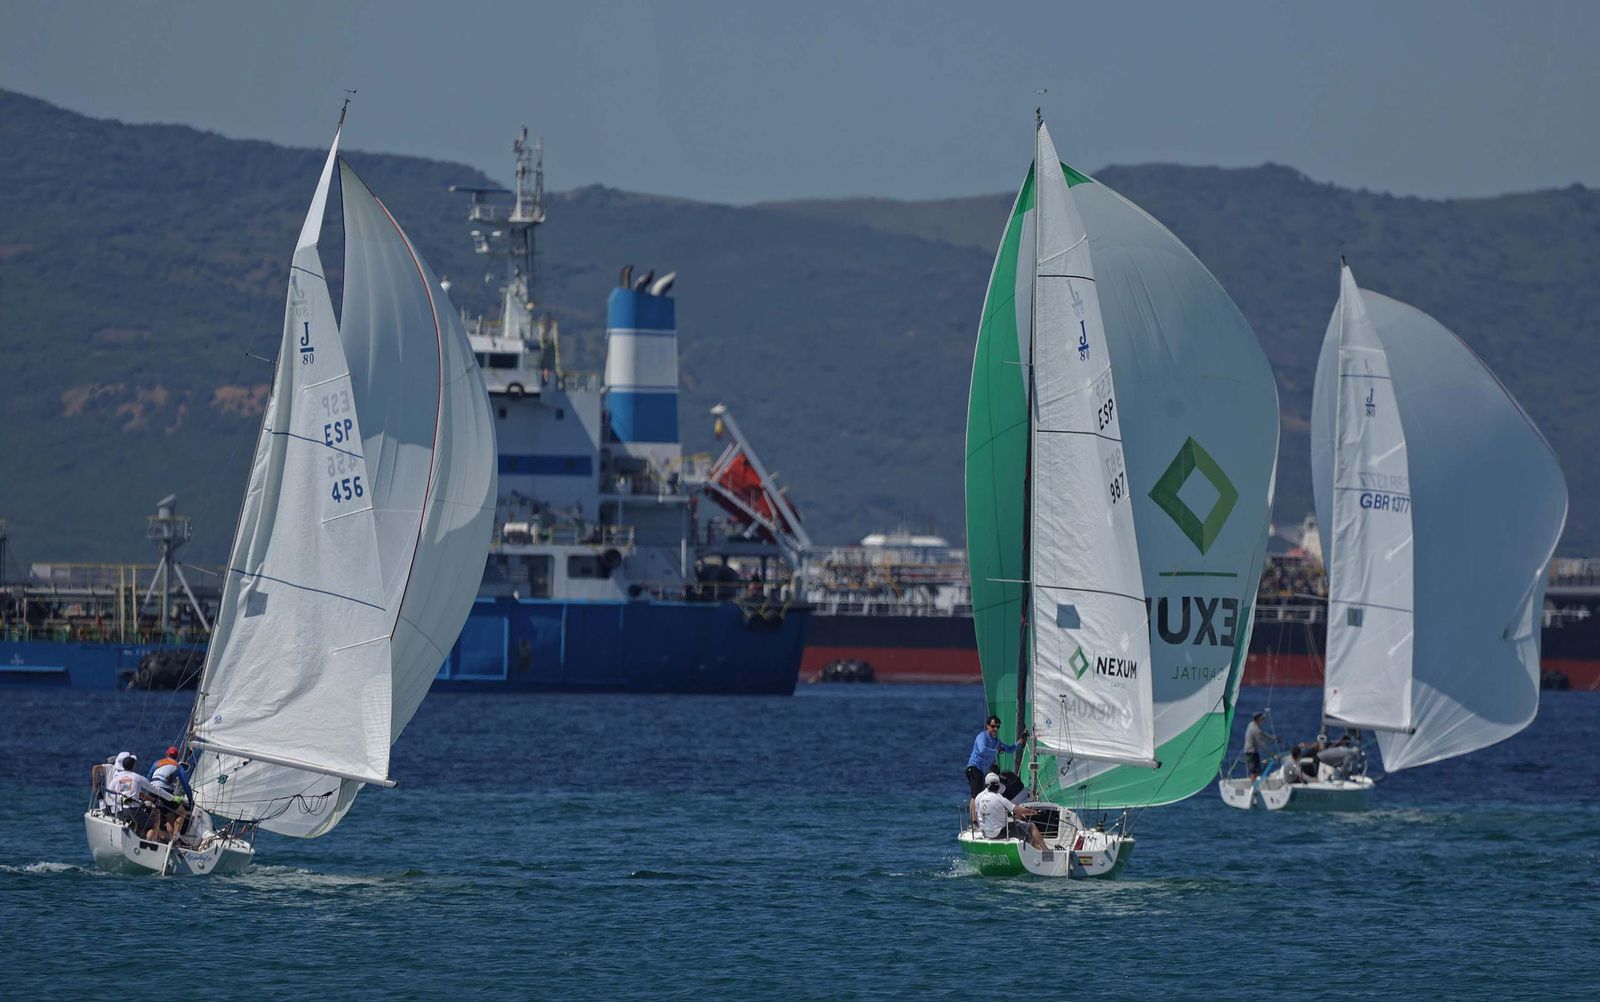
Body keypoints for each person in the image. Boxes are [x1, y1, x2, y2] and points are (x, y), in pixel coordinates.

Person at [970, 772, 1044, 849]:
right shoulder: (999, 798)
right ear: (998, 785)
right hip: (1000, 833)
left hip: (985, 833)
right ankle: (1044, 850)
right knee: (1030, 828)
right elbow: (1018, 810)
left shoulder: (979, 797)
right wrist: (1035, 812)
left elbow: (978, 815)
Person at [966, 714, 1028, 797]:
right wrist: (996, 751)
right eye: (993, 726)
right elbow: (982, 750)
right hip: (974, 768)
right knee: (975, 796)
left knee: (979, 795)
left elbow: (1010, 750)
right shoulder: (982, 736)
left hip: (981, 772)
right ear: (987, 726)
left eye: (997, 727)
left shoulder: (997, 742)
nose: (995, 729)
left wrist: (1020, 741)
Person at [1243, 711, 1276, 780]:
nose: (1263, 720)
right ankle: (1252, 785)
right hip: (1250, 752)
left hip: (1253, 751)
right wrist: (1271, 754)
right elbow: (1262, 744)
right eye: (1261, 719)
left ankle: (1254, 784)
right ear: (1258, 719)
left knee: (1257, 770)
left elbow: (1262, 733)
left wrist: (1273, 738)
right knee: (1254, 771)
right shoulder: (1255, 730)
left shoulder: (1251, 724)